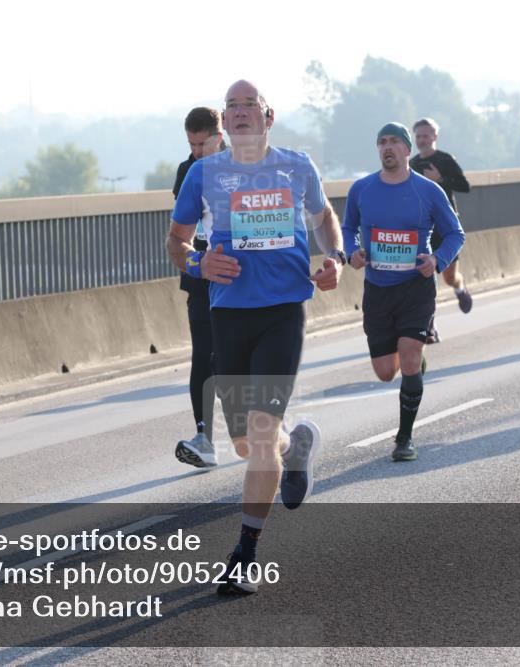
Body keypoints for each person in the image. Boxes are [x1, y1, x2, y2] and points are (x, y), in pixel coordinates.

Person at [166, 80, 344, 594]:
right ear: (225, 121)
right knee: (247, 444)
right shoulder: (204, 173)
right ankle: (295, 449)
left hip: (283, 310)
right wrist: (200, 261)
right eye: (233, 107)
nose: (241, 113)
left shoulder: (296, 165)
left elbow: (325, 217)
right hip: (229, 313)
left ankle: (245, 555)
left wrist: (331, 256)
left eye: (250, 105)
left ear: (269, 116)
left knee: (260, 434)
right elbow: (176, 242)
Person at [343, 122, 465, 462]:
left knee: (408, 357)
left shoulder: (427, 190)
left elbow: (455, 233)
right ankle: (414, 359)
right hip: (378, 288)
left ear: (408, 149)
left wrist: (437, 260)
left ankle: (405, 437)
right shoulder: (362, 189)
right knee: (385, 372)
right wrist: (353, 252)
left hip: (416, 287)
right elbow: (348, 226)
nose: (388, 147)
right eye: (382, 141)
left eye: (395, 141)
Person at [173, 107, 226, 468]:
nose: (195, 151)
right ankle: (204, 437)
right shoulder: (188, 170)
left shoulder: (245, 166)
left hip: (239, 274)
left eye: (201, 143)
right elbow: (184, 224)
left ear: (218, 137)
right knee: (203, 356)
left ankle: (271, 427)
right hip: (201, 275)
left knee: (236, 359)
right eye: (190, 143)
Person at [409, 118, 472, 344]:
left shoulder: (445, 160)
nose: (422, 140)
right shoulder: (412, 164)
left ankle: (460, 288)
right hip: (422, 228)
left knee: (449, 276)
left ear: (435, 137)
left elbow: (465, 186)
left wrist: (440, 179)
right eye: (418, 136)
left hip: (446, 228)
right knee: (424, 277)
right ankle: (429, 326)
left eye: (426, 136)